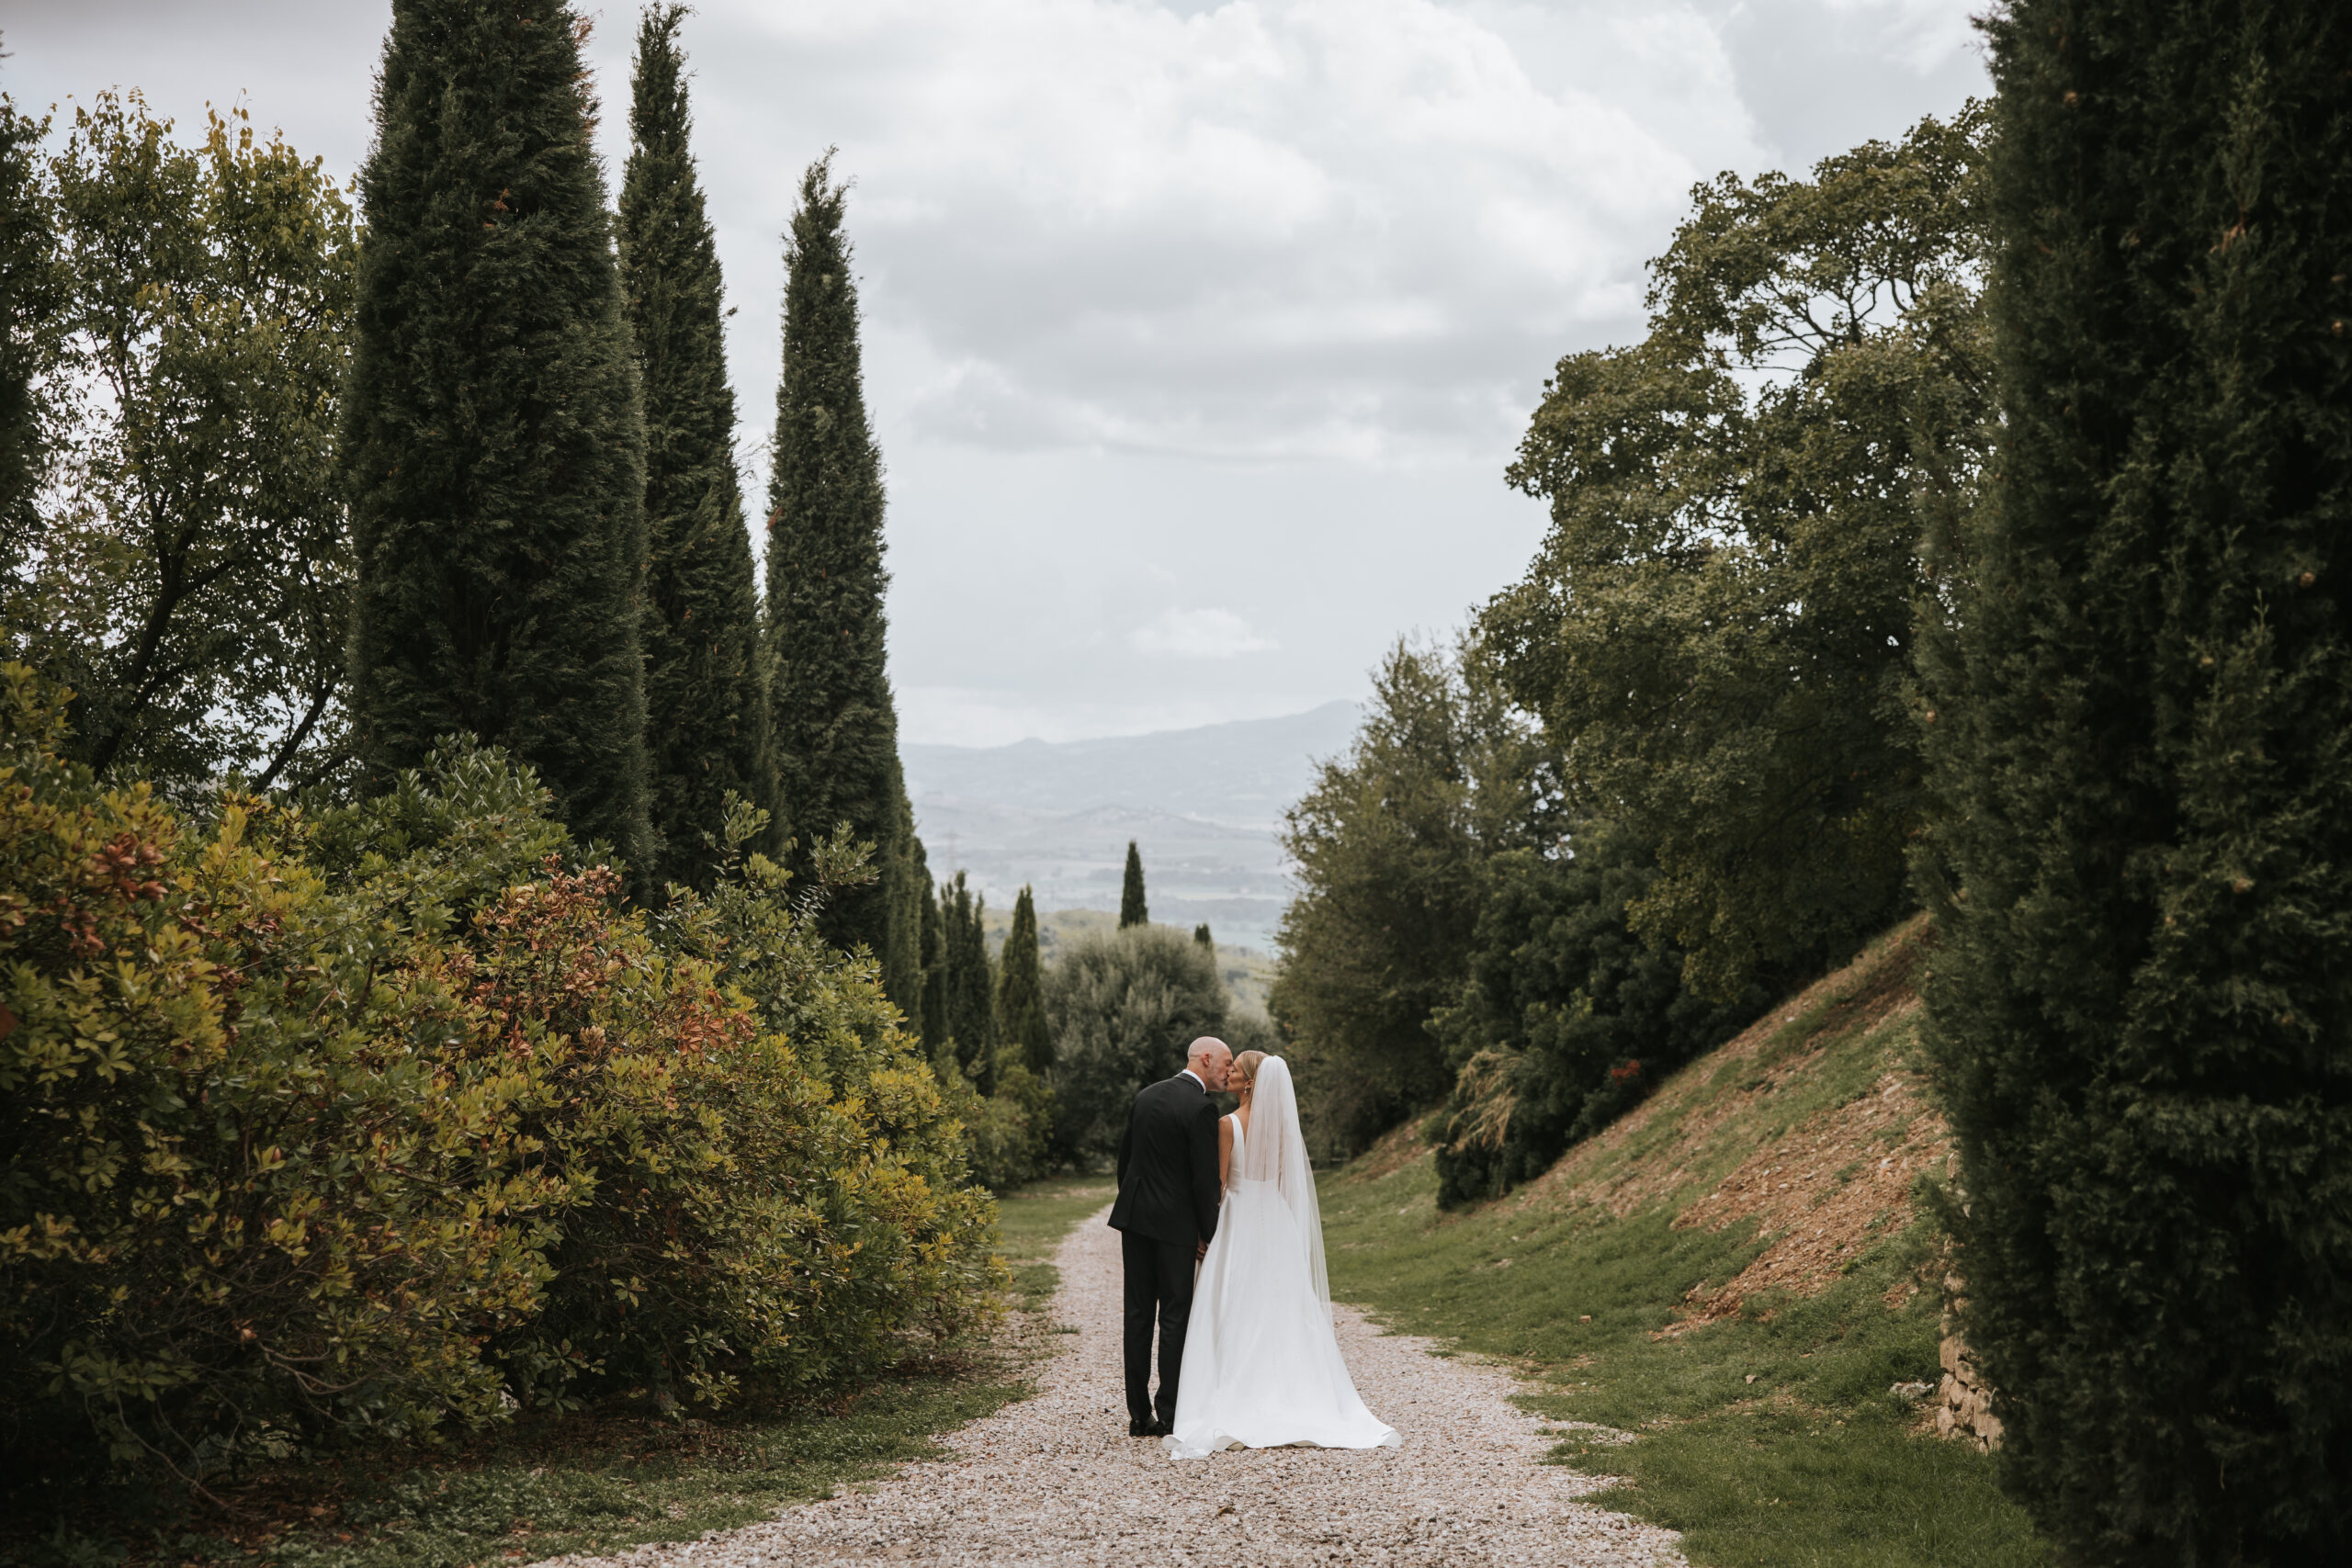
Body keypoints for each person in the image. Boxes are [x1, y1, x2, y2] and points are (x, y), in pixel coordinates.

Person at [1163, 1050, 1401, 1457]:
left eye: (1236, 1068)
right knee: (1282, 1305)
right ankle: (1291, 1391)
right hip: (1274, 1220)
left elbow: (1219, 1186)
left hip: (1239, 1218)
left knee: (1233, 1304)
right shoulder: (1281, 1130)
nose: (1230, 1072)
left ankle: (1235, 1394)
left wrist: (1204, 1229)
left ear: (1251, 1082)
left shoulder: (1226, 1125)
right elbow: (1284, 1182)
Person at [1107, 1035, 1230, 1438]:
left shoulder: (1146, 1095)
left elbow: (1125, 1164)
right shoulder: (1201, 1108)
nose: (1228, 1072)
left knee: (1138, 1314)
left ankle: (1138, 1415)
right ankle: (1170, 1414)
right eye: (1226, 1063)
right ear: (1205, 1058)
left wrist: (1134, 1207)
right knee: (1175, 1316)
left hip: (1136, 1221)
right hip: (1175, 1229)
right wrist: (1208, 1234)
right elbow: (1203, 1182)